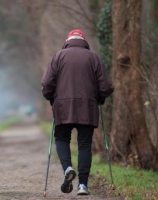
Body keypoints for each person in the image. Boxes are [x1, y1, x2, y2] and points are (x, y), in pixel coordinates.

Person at [41, 29, 113, 195]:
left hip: (62, 107)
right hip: (87, 108)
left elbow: (46, 83)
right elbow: (106, 87)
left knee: (61, 138)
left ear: (67, 40)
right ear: (83, 40)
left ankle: (67, 168)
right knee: (85, 145)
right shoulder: (94, 58)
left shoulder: (58, 57)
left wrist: (51, 98)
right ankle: (82, 185)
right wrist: (100, 98)